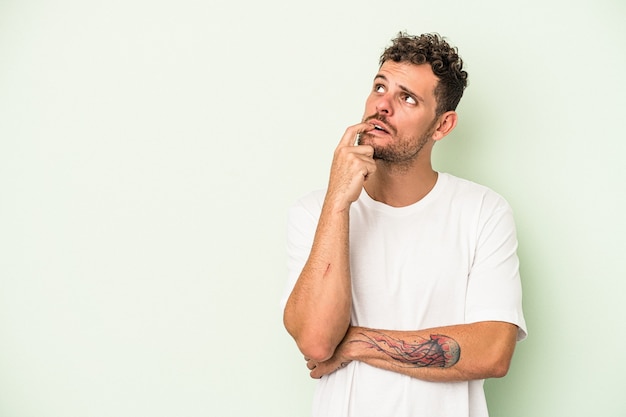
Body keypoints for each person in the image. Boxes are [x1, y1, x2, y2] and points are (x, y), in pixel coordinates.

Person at [281, 32, 527, 417]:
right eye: (380, 86)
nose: (382, 105)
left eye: (407, 97)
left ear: (442, 125)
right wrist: (337, 203)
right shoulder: (315, 211)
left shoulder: (482, 211)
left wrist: (355, 342)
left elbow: (493, 351)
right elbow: (316, 343)